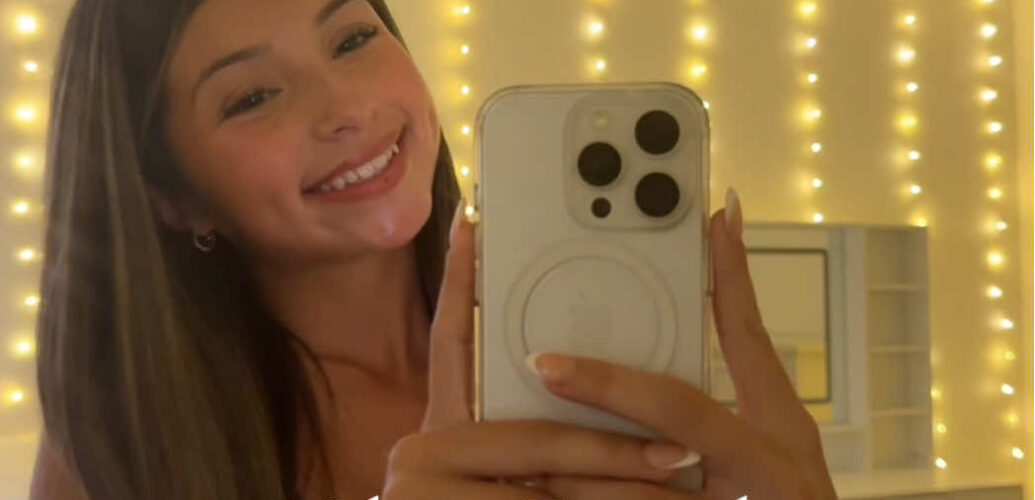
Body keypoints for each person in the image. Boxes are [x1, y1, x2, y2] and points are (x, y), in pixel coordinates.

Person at [28, 0, 839, 499]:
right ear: (172, 198)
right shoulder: (123, 438)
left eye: (351, 38)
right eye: (252, 96)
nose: (346, 108)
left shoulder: (590, 355)